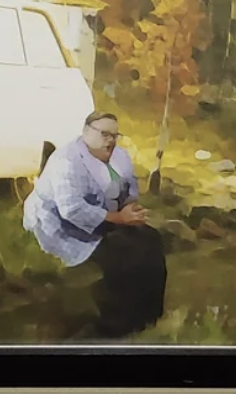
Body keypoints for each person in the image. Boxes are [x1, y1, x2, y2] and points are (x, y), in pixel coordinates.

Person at [22, 111, 168, 338]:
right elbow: (71, 210)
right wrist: (119, 218)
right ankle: (115, 323)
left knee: (151, 239)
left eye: (115, 135)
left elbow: (130, 190)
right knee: (120, 253)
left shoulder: (119, 156)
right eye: (104, 134)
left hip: (104, 216)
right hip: (59, 224)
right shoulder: (66, 160)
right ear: (86, 132)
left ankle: (150, 316)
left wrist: (130, 208)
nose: (110, 140)